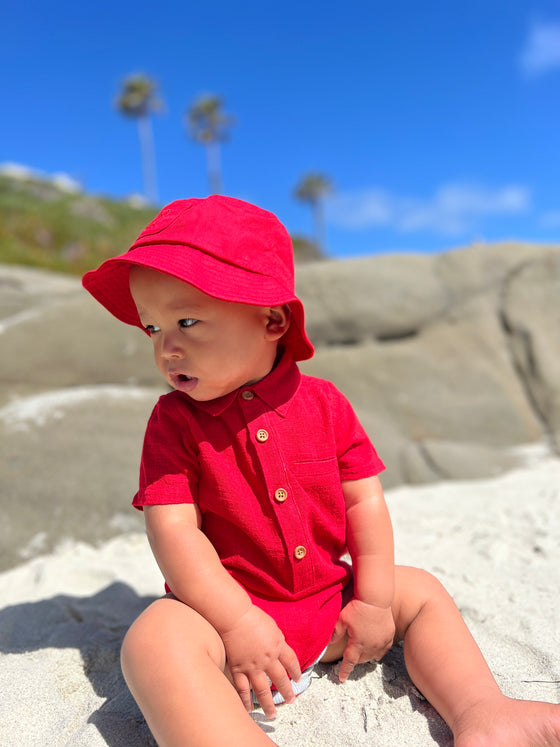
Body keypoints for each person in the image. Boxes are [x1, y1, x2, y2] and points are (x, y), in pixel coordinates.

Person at [82, 196, 560, 747]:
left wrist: (375, 602)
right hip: (225, 621)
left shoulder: (325, 403)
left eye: (188, 320)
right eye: (152, 328)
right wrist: (237, 623)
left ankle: (483, 711)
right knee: (155, 640)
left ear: (272, 319)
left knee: (421, 591)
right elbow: (173, 529)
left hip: (329, 607)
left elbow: (364, 501)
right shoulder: (173, 421)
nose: (167, 347)